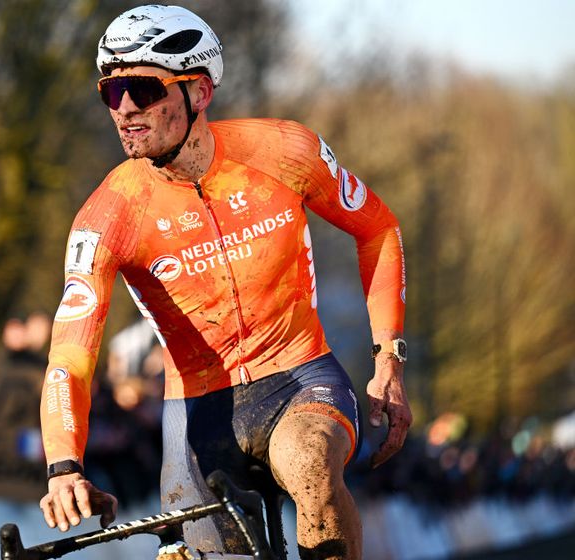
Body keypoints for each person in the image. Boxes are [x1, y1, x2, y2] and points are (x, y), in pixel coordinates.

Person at [37, 5, 412, 559]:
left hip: (299, 377)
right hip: (195, 411)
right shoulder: (110, 213)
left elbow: (377, 228)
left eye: (144, 89)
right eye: (111, 92)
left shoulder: (284, 151)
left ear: (200, 91)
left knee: (310, 465)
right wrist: (64, 466)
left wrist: (388, 360)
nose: (125, 108)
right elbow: (69, 356)